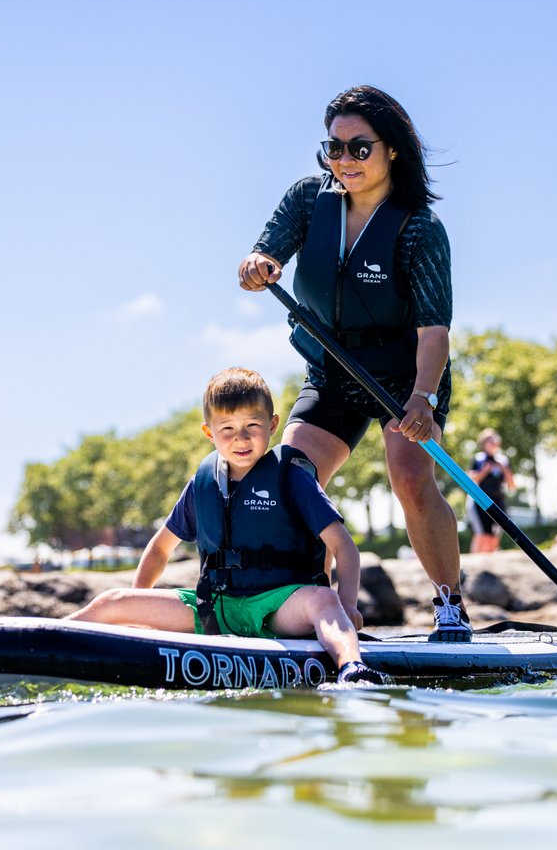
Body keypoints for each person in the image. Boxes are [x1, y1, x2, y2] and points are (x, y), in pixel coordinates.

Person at [237, 86, 470, 642]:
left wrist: (422, 400)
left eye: (359, 148)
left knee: (411, 480)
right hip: (333, 371)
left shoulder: (419, 228)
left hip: (402, 376)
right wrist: (258, 264)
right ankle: (311, 608)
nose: (344, 161)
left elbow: (433, 330)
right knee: (292, 478)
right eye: (334, 149)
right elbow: (265, 250)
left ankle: (450, 607)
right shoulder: (307, 200)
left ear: (392, 150)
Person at [67, 368, 388, 685]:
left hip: (278, 607)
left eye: (252, 425)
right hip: (215, 607)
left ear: (273, 425)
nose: (241, 438)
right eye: (228, 429)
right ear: (209, 433)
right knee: (114, 602)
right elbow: (161, 548)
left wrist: (347, 606)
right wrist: (138, 607)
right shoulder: (203, 483)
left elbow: (344, 547)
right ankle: (35, 638)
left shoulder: (292, 476)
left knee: (323, 600)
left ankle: (352, 668)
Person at [467, 429, 516, 553]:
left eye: (495, 440)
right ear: (484, 443)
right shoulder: (479, 459)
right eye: (490, 440)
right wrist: (485, 471)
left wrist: (503, 469)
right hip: (479, 503)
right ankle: (474, 564)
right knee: (482, 535)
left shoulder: (503, 460)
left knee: (494, 536)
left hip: (498, 502)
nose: (493, 443)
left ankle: (489, 565)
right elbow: (471, 481)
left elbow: (511, 485)